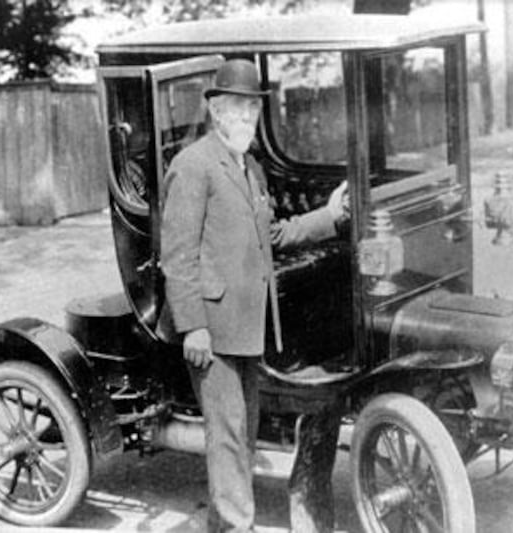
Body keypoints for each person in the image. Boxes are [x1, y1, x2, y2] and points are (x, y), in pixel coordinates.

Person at [159, 58, 348, 533]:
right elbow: (176, 257)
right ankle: (235, 525)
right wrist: (194, 326)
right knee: (226, 437)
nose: (246, 118)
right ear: (216, 112)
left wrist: (330, 217)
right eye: (237, 109)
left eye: (252, 110)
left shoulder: (252, 169)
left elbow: (275, 236)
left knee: (241, 433)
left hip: (248, 326)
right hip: (213, 328)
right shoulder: (193, 167)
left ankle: (224, 524)